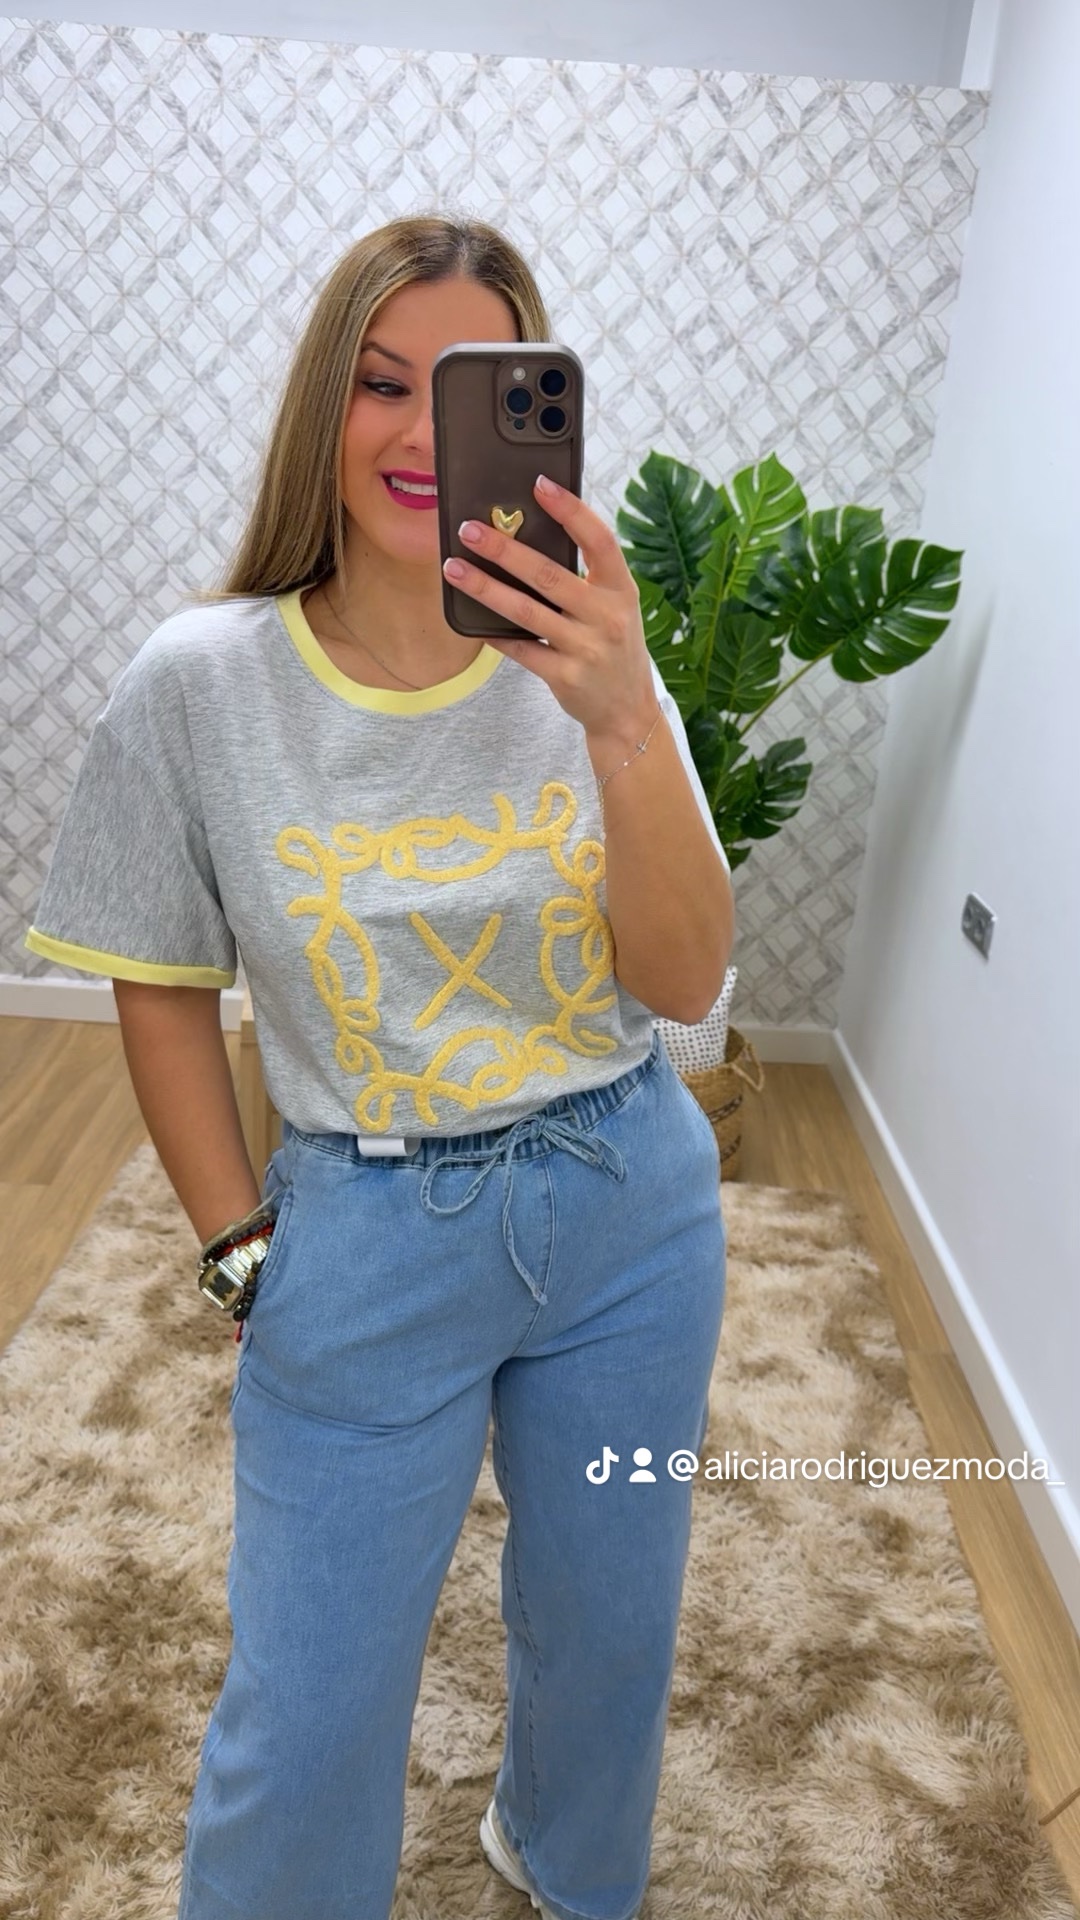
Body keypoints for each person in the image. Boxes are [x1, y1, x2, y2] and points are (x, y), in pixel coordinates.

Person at [24, 213, 735, 1920]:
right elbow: (159, 979)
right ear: (319, 409)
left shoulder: (596, 662)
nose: (423, 434)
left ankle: (564, 1857)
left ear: (535, 413)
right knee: (313, 1691)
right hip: (367, 1228)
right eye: (381, 383)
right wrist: (233, 1241)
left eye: (471, 387)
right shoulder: (204, 684)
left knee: (615, 1619)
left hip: (632, 1215)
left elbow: (685, 979)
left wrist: (623, 717)